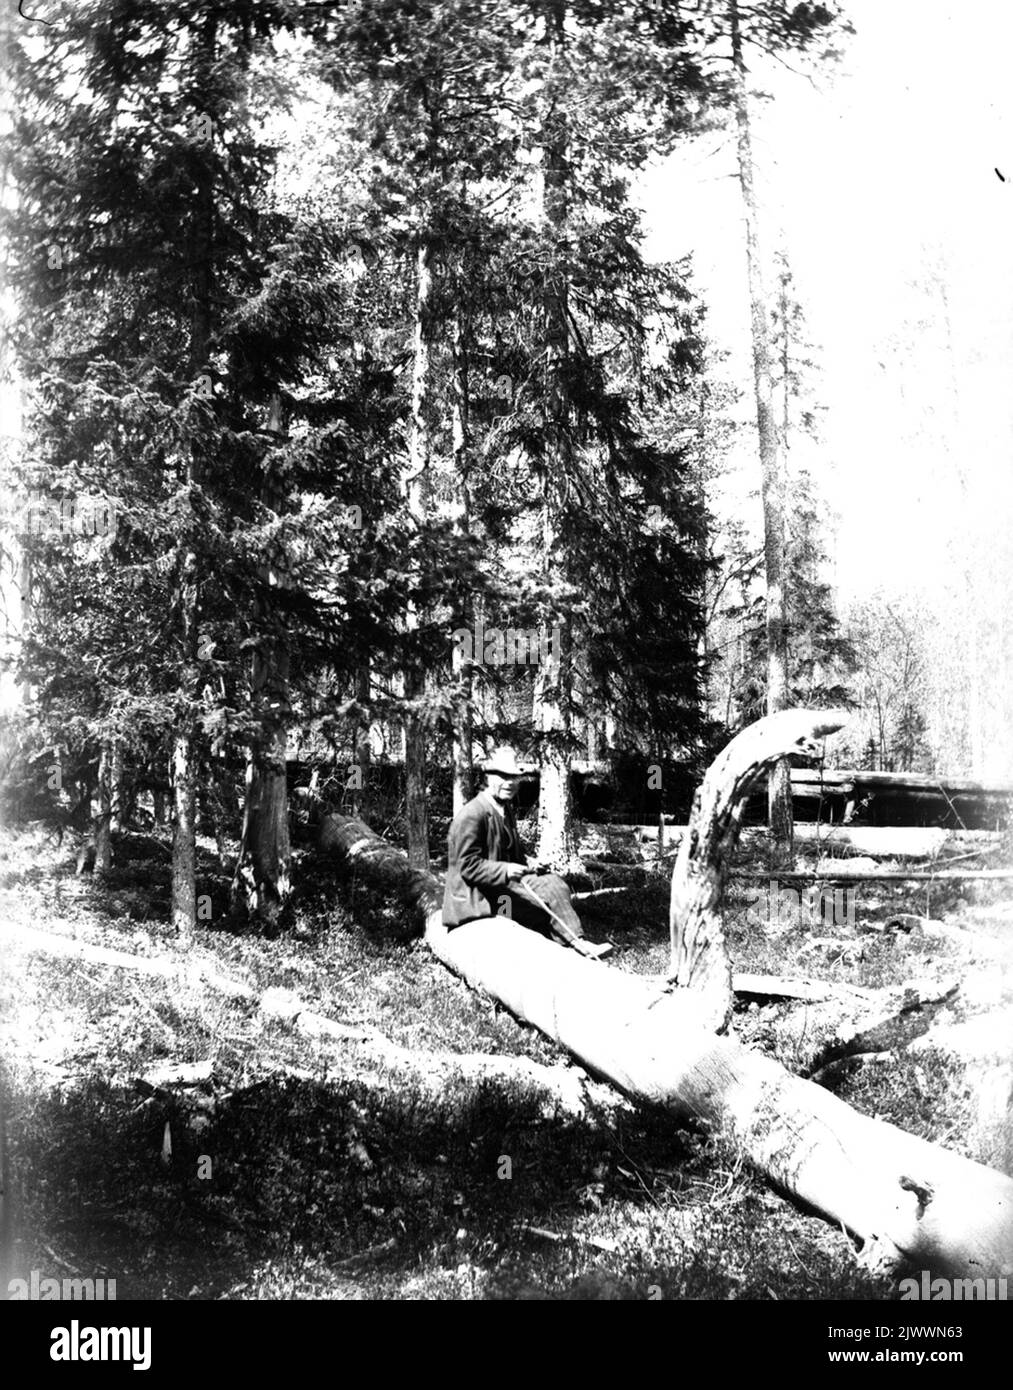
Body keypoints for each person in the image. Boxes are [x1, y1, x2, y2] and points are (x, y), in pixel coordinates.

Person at [442, 745, 612, 959]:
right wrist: (506, 870)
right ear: (487, 777)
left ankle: (577, 943)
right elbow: (467, 866)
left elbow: (512, 852)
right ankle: (569, 948)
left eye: (514, 777)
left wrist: (529, 863)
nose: (510, 783)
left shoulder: (504, 810)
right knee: (536, 908)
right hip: (477, 898)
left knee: (555, 884)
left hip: (499, 887)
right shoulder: (472, 815)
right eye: (503, 776)